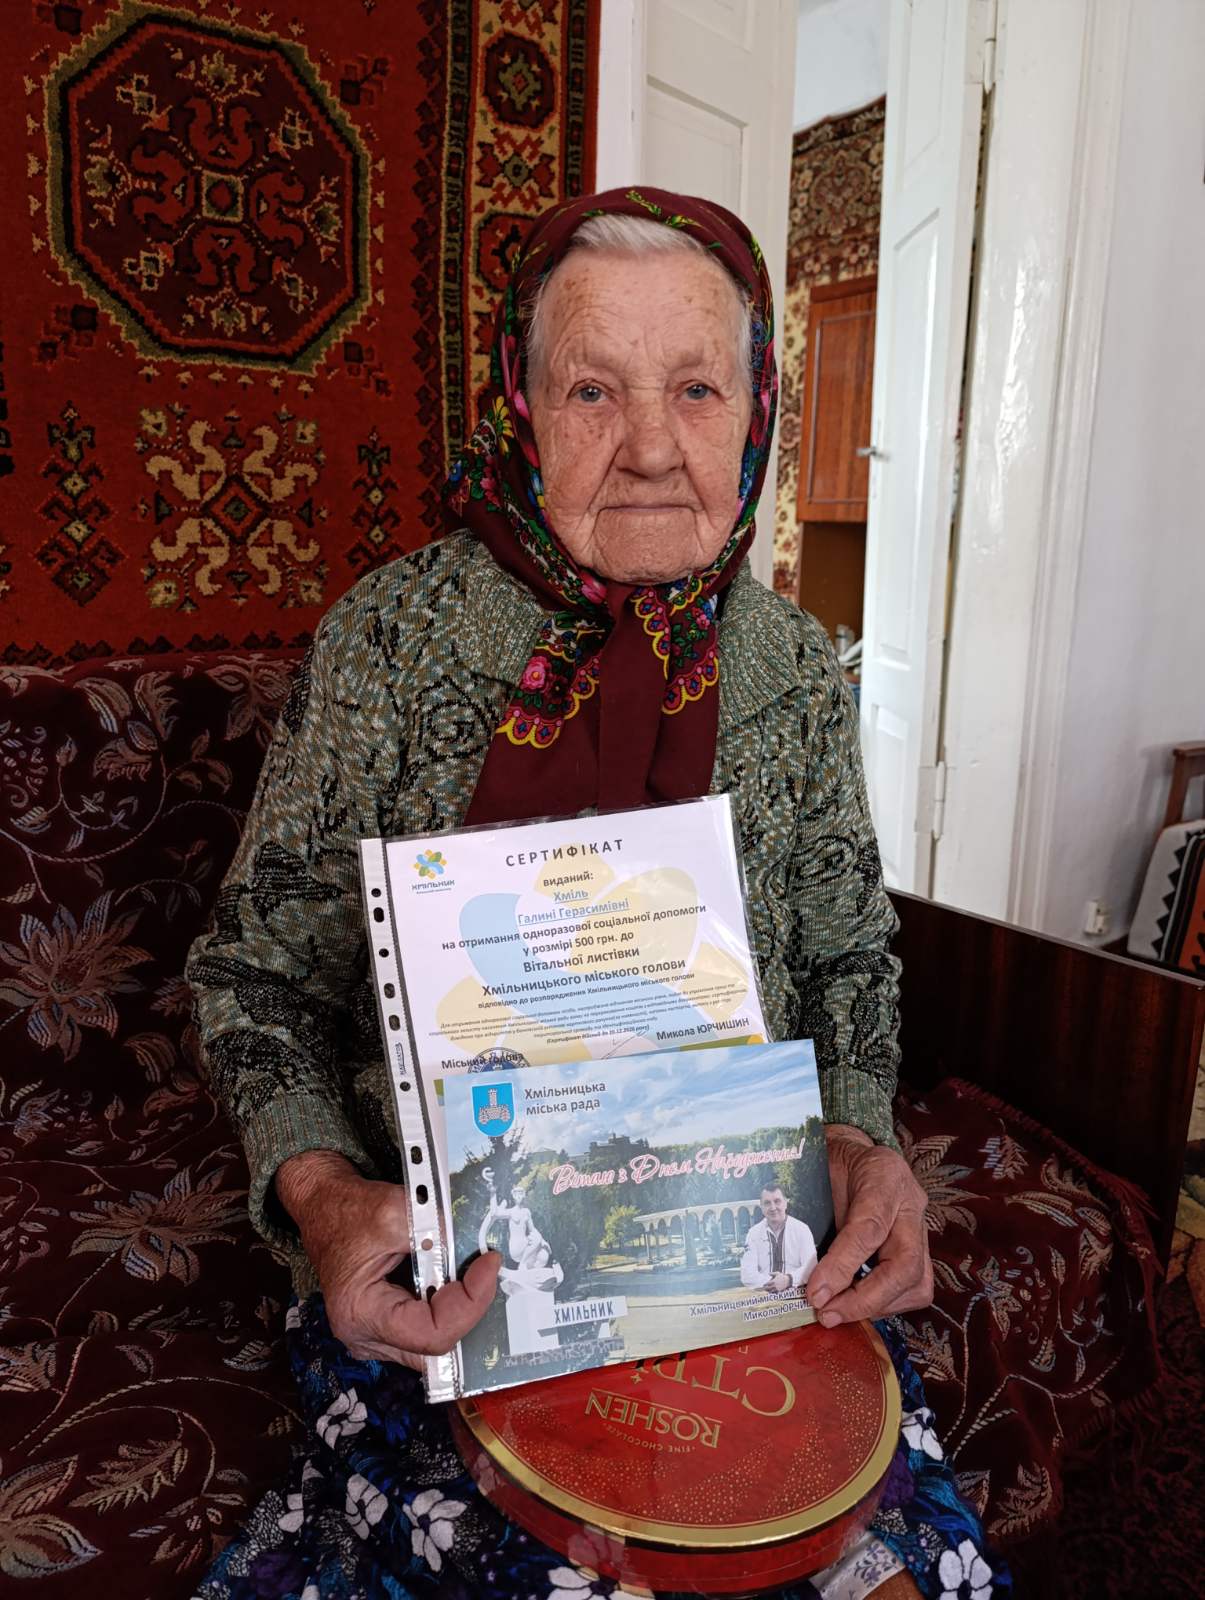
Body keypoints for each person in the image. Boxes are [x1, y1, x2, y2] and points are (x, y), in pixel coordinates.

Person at [188, 188, 1007, 1600]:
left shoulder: (795, 674)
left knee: (890, 1575)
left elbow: (849, 960)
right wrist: (324, 1195)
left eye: (696, 388)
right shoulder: (391, 645)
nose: (648, 446)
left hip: (733, 1258)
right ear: (521, 405)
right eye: (591, 390)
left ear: (756, 408)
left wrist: (862, 1140)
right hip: (464, 1279)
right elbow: (253, 978)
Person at [740, 1184, 818, 1292]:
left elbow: (811, 1267)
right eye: (767, 1203)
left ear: (786, 1203)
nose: (773, 1208)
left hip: (797, 1296)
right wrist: (773, 1283)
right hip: (765, 1299)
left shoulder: (802, 1229)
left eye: (777, 1201)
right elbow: (747, 1274)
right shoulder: (753, 1234)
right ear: (761, 1207)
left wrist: (788, 1280)